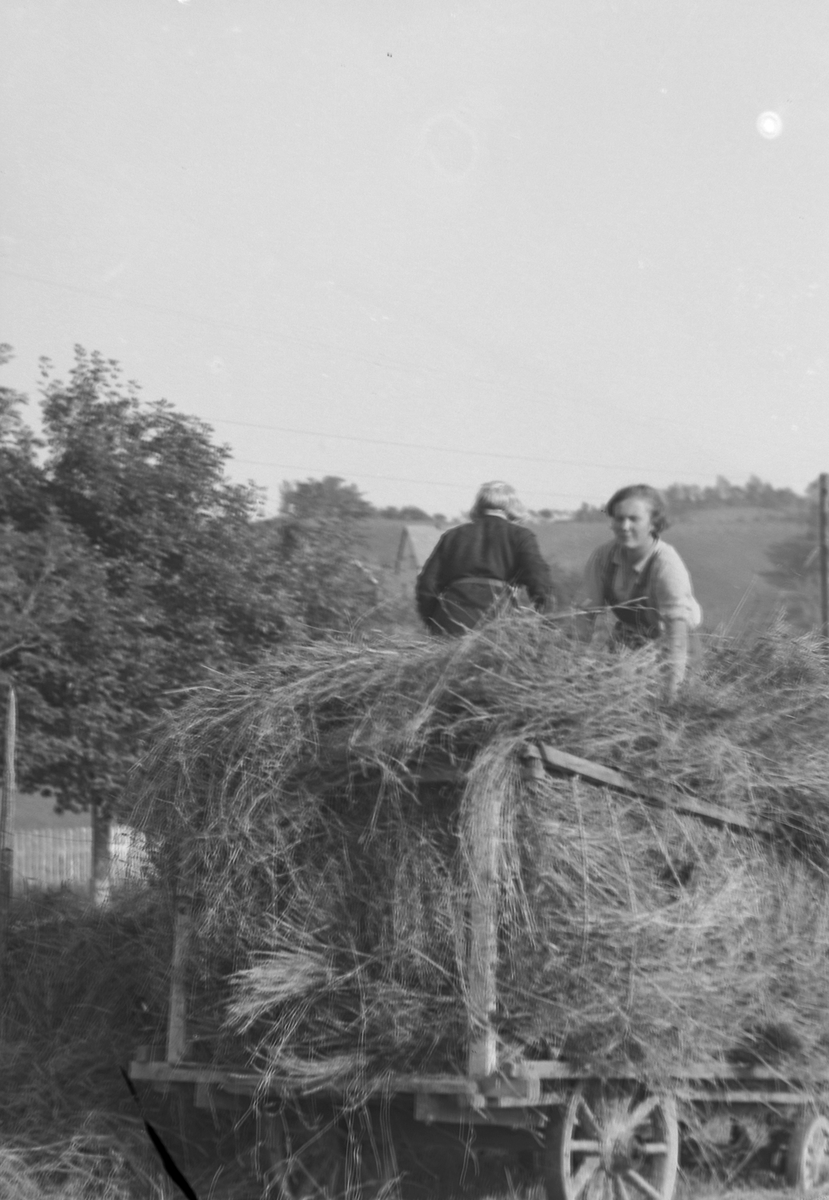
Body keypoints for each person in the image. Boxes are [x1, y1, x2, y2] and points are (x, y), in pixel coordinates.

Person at [579, 484, 701, 699]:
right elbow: (585, 615)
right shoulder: (603, 557)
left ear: (653, 524)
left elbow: (676, 635)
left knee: (671, 708)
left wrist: (671, 693)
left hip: (676, 648)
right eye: (618, 518)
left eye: (634, 519)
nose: (624, 526)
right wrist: (574, 668)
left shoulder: (666, 564)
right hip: (628, 641)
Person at [416, 481, 552, 636]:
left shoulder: (453, 536)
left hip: (451, 622)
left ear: (479, 506)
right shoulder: (521, 536)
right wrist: (542, 618)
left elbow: (426, 586)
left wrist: (432, 621)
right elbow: (539, 580)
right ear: (513, 507)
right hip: (498, 624)